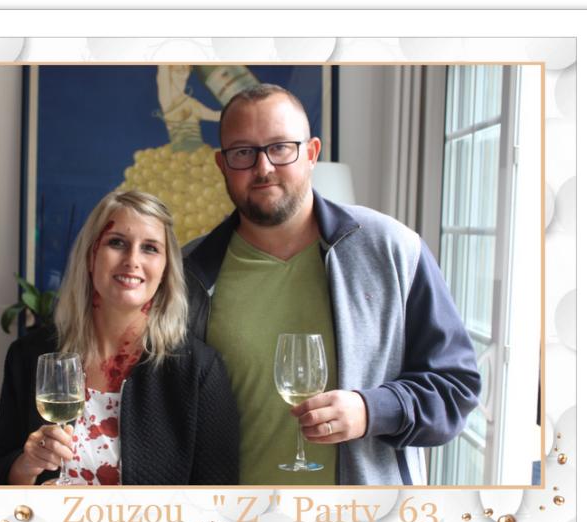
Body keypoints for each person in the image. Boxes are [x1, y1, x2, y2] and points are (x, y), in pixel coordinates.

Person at [183, 83, 481, 485]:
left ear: (311, 153)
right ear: (222, 164)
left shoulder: (393, 249)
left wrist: (371, 410)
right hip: (235, 516)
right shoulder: (187, 272)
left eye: (281, 148)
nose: (263, 167)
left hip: (363, 518)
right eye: (243, 152)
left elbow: (456, 388)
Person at [0, 191, 238, 485]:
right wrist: (27, 465)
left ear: (166, 268)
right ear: (91, 256)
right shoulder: (30, 355)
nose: (132, 260)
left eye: (150, 248)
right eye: (117, 243)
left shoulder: (199, 370)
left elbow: (220, 500)